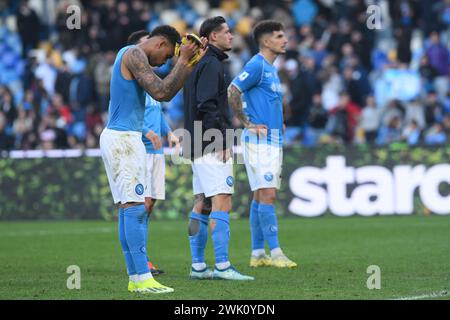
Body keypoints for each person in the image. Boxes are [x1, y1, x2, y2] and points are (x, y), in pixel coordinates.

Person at [99, 25, 207, 294]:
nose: (166, 61)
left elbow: (167, 87)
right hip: (124, 139)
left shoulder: (133, 57)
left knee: (129, 208)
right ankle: (142, 278)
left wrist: (190, 64)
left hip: (122, 137)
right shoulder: (134, 54)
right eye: (169, 55)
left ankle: (136, 278)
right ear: (160, 44)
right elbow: (162, 92)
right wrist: (183, 61)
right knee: (135, 208)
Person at [183, 16, 254, 281]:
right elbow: (207, 105)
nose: (231, 36)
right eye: (226, 32)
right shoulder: (211, 64)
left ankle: (198, 266)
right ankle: (223, 266)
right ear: (212, 37)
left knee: (202, 202)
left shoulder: (193, 64)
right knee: (222, 199)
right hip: (210, 140)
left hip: (194, 139)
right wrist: (223, 140)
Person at [228, 20, 297, 268]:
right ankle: (276, 253)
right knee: (268, 195)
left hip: (272, 139)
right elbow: (233, 90)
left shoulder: (271, 68)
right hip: (259, 141)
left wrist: (280, 122)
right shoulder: (257, 65)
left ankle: (258, 254)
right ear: (266, 41)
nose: (285, 40)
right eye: (279, 36)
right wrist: (247, 124)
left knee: (260, 195)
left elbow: (266, 102)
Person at [126, 30, 182, 276]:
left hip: (156, 152)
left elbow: (156, 111)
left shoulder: (150, 79)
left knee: (149, 205)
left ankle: (142, 255)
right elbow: (125, 113)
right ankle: (141, 260)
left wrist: (168, 132)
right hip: (140, 149)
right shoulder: (133, 76)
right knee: (141, 204)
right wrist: (146, 131)